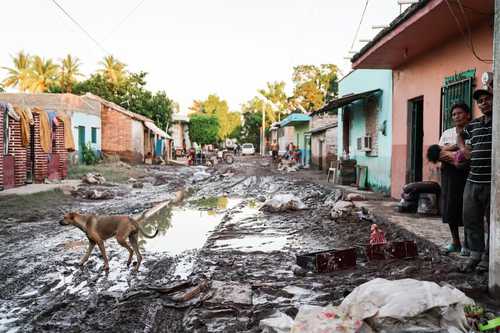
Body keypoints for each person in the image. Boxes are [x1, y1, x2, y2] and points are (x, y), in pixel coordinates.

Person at [459, 84, 493, 272]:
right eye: (480, 101)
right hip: (473, 181)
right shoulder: (474, 124)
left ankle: (488, 258)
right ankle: (475, 255)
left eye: (487, 98)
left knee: (492, 222)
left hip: (492, 183)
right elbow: (460, 135)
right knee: (471, 219)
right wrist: (463, 149)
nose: (483, 103)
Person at [437, 102, 471, 255]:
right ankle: (455, 242)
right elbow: (436, 153)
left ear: (468, 115)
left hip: (467, 174)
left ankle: (467, 244)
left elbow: (469, 153)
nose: (456, 116)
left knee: (467, 209)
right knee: (450, 208)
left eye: (460, 113)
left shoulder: (473, 130)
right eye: (454, 114)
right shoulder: (447, 133)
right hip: (449, 175)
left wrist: (448, 152)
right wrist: (455, 153)